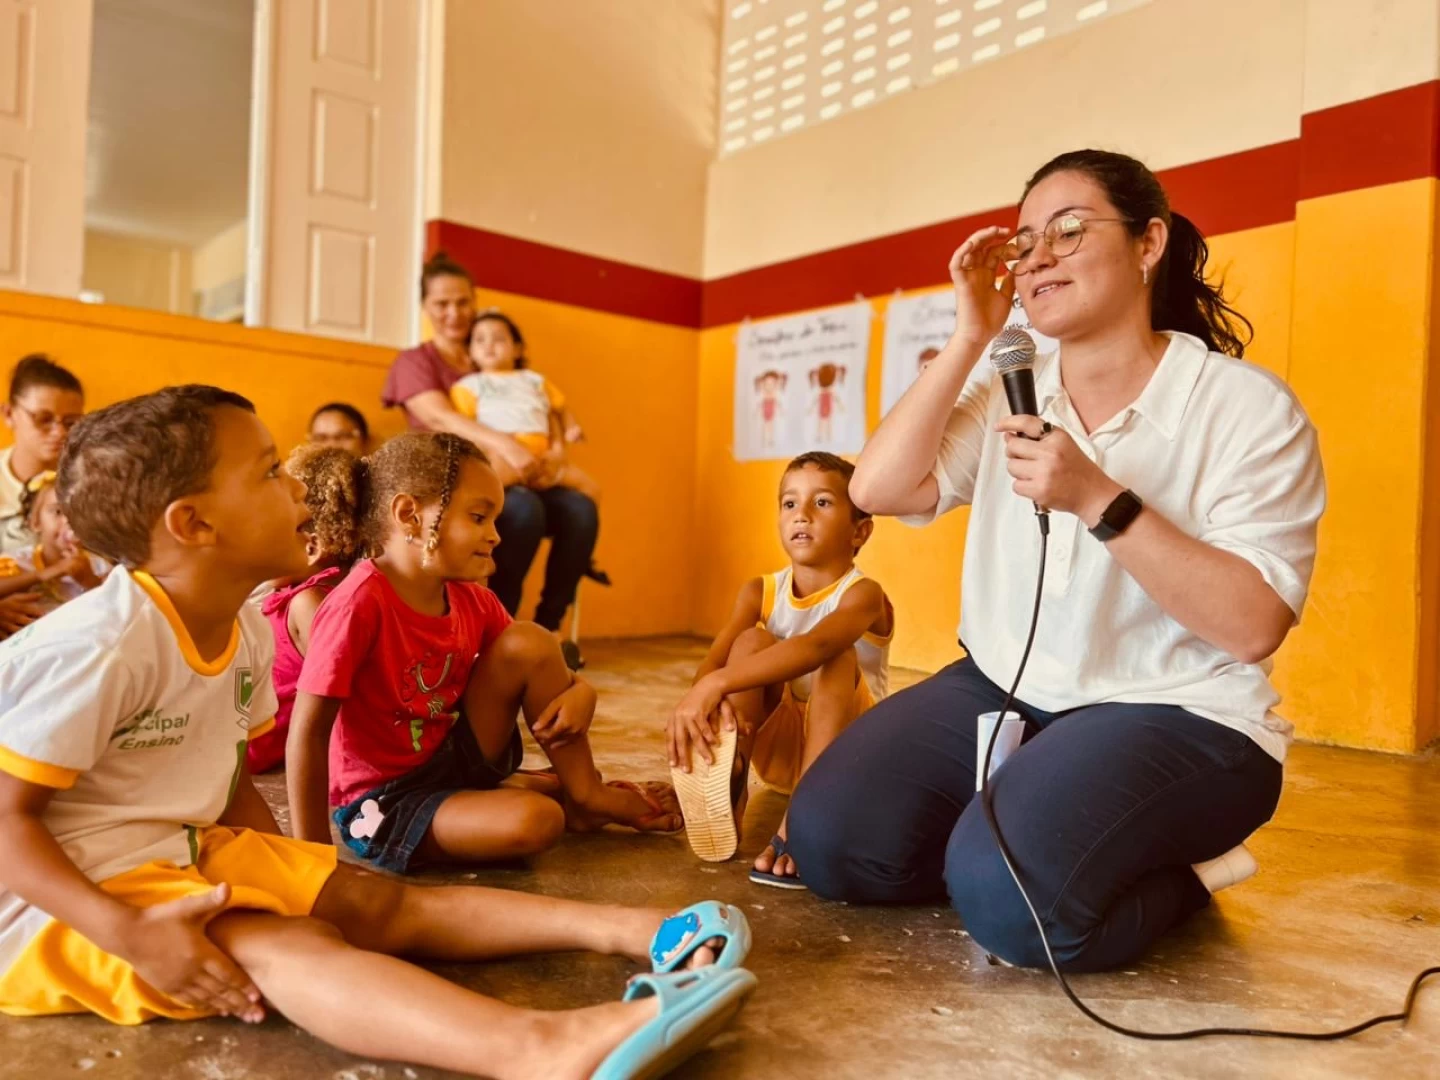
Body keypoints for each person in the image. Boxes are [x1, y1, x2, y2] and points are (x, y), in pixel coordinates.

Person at [0, 385, 755, 1078]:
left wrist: (297, 869)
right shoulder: (98, 647)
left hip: (174, 849)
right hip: (58, 902)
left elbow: (224, 776)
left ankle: (638, 930)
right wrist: (127, 933)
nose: (299, 487)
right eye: (268, 473)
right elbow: (6, 823)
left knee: (371, 900)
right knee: (283, 942)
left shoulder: (244, 630)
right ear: (193, 524)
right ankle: (539, 1050)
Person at [786, 149, 1326, 973]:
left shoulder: (1246, 407)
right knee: (833, 842)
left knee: (1011, 905)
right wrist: (972, 332)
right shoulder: (1015, 377)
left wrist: (1098, 500)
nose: (1037, 256)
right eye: (1026, 239)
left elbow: (1254, 626)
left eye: (1068, 231)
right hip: (1005, 684)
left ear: (1149, 244)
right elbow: (879, 486)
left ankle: (1184, 873)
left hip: (1178, 711)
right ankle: (1025, 843)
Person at [287, 431, 680, 875]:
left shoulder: (472, 598)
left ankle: (586, 795)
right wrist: (311, 860)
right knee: (537, 820)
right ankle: (542, 798)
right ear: (409, 515)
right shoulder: (358, 604)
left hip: (453, 757)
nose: (494, 536)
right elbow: (308, 732)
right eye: (478, 517)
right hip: (385, 801)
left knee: (530, 640)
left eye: (495, 521)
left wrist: (581, 691)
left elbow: (537, 663)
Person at [667, 452, 891, 890]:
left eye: (822, 503)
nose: (801, 515)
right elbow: (715, 659)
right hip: (780, 749)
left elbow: (817, 645)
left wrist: (716, 684)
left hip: (849, 754)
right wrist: (696, 710)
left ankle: (802, 820)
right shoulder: (759, 591)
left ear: (860, 530)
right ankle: (729, 778)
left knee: (837, 657)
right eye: (789, 504)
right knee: (748, 642)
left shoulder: (864, 595)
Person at [382, 253, 601, 667]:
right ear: (425, 307)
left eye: (463, 302)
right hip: (456, 489)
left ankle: (547, 628)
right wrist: (510, 448)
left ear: (475, 301)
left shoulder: (496, 353)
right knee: (521, 509)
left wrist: (553, 455)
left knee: (580, 509)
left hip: (524, 476)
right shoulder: (417, 362)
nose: (454, 313)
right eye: (441, 304)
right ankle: (495, 626)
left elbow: (539, 412)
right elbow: (440, 416)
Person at [246, 444, 361, 774]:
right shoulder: (299, 594)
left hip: (254, 746)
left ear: (311, 547)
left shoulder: (307, 603)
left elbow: (340, 700)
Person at [451, 310, 600, 503]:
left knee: (592, 489)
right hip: (504, 455)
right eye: (480, 340)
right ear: (469, 352)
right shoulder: (470, 385)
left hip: (545, 458)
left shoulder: (535, 381)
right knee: (483, 489)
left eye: (499, 339)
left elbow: (560, 408)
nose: (489, 345)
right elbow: (465, 427)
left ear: (517, 349)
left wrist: (571, 428)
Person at [0, 354, 85, 553]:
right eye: (43, 419)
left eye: (71, 422)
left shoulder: (90, 482)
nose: (59, 432)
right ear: (9, 414)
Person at [0, 471, 108, 613]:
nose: (68, 521)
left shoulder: (100, 567)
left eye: (77, 513)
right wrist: (42, 574)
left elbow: (114, 608)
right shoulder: (17, 562)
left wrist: (91, 582)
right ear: (35, 522)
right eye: (58, 512)